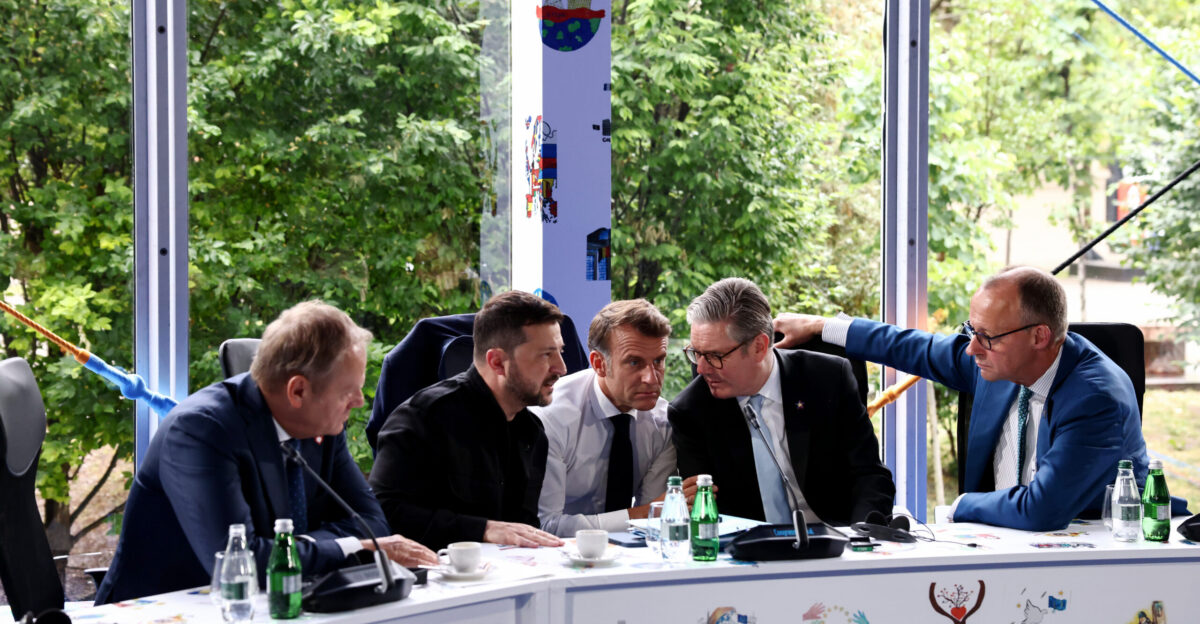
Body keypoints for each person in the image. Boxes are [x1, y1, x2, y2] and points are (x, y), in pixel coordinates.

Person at [95, 301, 436, 604]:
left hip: (270, 605)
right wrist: (351, 546)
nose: (359, 402)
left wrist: (290, 547)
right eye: (348, 392)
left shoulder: (324, 427)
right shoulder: (200, 430)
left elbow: (373, 524)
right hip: (165, 608)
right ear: (298, 390)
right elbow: (241, 563)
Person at [773, 266, 1150, 531]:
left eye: (986, 336)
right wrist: (822, 326)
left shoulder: (1095, 398)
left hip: (1085, 561)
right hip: (994, 542)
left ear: (1039, 336)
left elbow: (1043, 509)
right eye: (972, 331)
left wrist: (962, 505)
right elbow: (913, 347)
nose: (972, 348)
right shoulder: (999, 359)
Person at [669, 278, 894, 525]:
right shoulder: (691, 411)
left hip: (837, 536)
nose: (701, 369)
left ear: (759, 347)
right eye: (696, 353)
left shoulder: (829, 379)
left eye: (714, 356)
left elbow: (870, 475)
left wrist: (862, 536)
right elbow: (707, 511)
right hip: (750, 543)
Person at [369, 291, 567, 550]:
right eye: (546, 355)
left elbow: (523, 529)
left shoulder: (532, 432)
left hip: (505, 569)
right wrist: (483, 529)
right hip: (433, 570)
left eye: (560, 352)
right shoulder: (423, 418)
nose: (562, 368)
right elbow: (384, 514)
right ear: (497, 362)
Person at [532, 299, 689, 537]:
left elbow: (653, 520)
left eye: (658, 360)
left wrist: (655, 511)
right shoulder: (551, 418)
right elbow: (545, 525)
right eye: (634, 362)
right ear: (599, 364)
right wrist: (645, 514)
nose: (651, 378)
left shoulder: (663, 422)